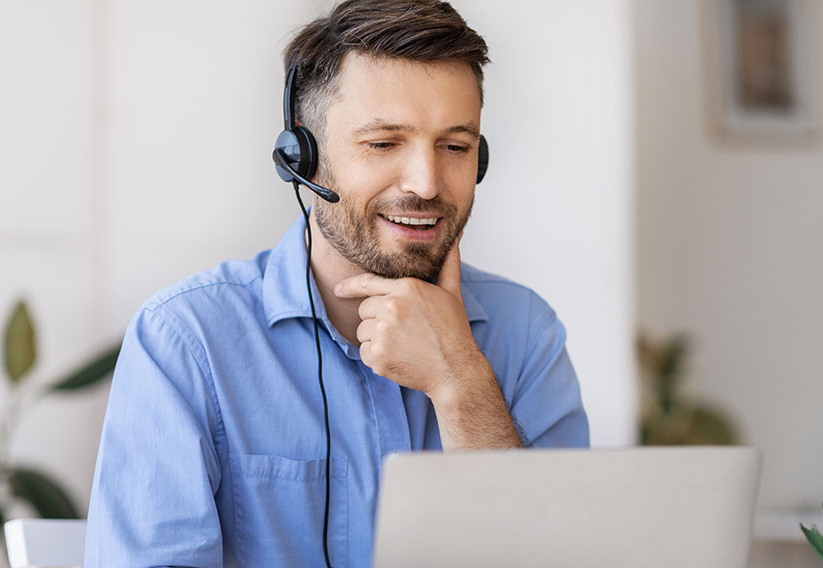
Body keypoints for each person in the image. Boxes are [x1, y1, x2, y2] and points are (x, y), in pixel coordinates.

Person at [84, 1, 589, 565]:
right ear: (303, 158)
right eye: (383, 143)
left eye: (455, 146)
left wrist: (463, 384)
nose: (425, 183)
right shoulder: (185, 342)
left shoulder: (525, 334)